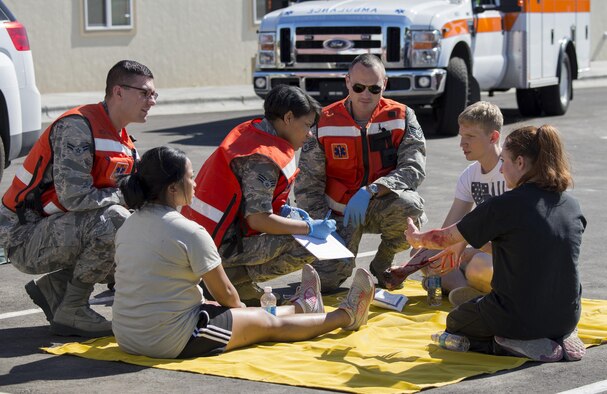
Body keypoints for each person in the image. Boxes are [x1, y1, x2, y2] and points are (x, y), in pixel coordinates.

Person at [112, 146, 375, 359]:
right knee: (267, 324)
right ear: (172, 188)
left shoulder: (128, 224)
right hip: (170, 341)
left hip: (128, 335)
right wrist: (245, 316)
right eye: (190, 177)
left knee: (246, 316)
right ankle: (346, 315)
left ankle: (302, 306)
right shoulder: (189, 231)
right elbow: (226, 295)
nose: (194, 184)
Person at [0, 60, 157, 337]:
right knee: (117, 222)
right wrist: (126, 197)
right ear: (118, 92)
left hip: (58, 230)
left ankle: (57, 288)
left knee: (141, 233)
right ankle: (72, 308)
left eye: (154, 94)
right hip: (22, 236)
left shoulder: (125, 144)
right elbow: (74, 198)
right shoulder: (78, 127)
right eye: (144, 93)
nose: (152, 101)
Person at [405, 125, 586, 362]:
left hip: (517, 319)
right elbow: (527, 246)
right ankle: (560, 336)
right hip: (567, 317)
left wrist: (416, 239)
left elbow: (443, 238)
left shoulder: (504, 206)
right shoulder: (572, 206)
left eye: (504, 161)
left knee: (456, 322)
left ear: (520, 163)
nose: (500, 169)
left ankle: (508, 343)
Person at [181, 85, 336, 306]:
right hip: (212, 248)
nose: (309, 133)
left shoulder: (253, 132)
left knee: (297, 228)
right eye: (307, 125)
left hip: (203, 239)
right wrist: (309, 228)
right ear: (288, 118)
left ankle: (230, 280)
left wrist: (287, 212)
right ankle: (226, 280)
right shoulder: (263, 158)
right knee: (306, 245)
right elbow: (258, 219)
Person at [295, 53, 426, 291]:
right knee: (327, 282)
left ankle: (383, 263)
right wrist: (319, 226)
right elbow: (308, 184)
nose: (366, 95)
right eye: (358, 87)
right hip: (339, 214)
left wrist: (373, 189)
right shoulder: (323, 121)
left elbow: (414, 168)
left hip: (380, 202)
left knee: (411, 206)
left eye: (374, 88)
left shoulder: (402, 116)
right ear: (347, 82)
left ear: (384, 84)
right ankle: (336, 262)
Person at [425, 101, 507, 305]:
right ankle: (466, 293)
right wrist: (421, 247)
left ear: (493, 137)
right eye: (462, 136)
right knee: (428, 257)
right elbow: (448, 231)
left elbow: (514, 240)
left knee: (478, 265)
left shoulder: (511, 170)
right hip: (480, 251)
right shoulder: (469, 175)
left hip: (507, 255)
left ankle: (464, 290)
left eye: (470, 137)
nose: (462, 144)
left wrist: (469, 252)